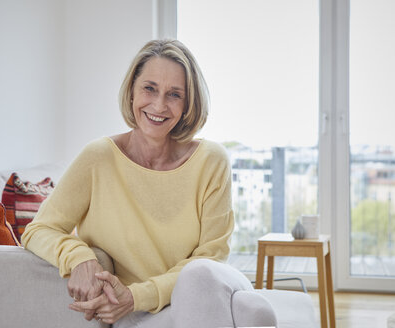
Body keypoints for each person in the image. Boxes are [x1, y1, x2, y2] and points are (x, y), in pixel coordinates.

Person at [21, 39, 276, 328]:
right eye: (149, 88)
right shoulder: (98, 158)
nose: (159, 105)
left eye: (174, 94)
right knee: (249, 314)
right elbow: (38, 229)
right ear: (132, 91)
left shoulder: (211, 160)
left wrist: (137, 295)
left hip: (204, 291)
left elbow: (212, 257)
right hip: (143, 316)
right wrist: (79, 257)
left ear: (188, 104)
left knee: (201, 275)